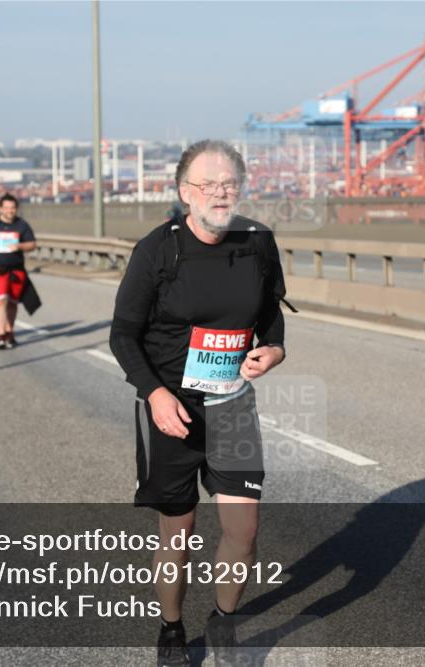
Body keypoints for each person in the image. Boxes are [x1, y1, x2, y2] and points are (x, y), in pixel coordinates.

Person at [108, 140, 288, 667]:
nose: (221, 192)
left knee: (244, 530)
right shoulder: (157, 251)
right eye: (209, 184)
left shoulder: (257, 242)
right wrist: (155, 394)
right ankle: (170, 628)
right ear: (186, 193)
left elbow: (271, 315)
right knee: (178, 531)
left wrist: (273, 350)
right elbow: (123, 334)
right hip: (173, 409)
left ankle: (224, 621)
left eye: (230, 183)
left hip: (231, 404)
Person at [0, 193, 38, 349]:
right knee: (0, 300)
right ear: (0, 209)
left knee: (12, 303)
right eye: (7, 208)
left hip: (17, 270)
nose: (10, 211)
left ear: (16, 209)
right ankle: (0, 335)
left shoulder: (22, 225)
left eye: (13, 208)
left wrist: (20, 246)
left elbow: (32, 244)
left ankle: (10, 333)